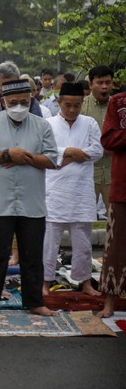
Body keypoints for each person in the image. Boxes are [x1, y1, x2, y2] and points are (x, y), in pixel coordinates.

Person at [0, 79, 58, 316]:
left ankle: (35, 302)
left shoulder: (42, 126)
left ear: (31, 100)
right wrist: (5, 154)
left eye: (24, 102)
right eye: (13, 102)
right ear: (3, 102)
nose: (19, 106)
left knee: (32, 255)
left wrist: (26, 157)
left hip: (31, 203)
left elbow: (52, 159)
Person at [43, 82, 103, 297]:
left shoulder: (90, 123)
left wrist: (69, 157)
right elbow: (45, 151)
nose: (72, 110)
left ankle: (85, 282)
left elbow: (97, 149)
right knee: (50, 242)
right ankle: (46, 282)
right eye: (68, 105)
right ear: (59, 102)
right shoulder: (48, 124)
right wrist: (69, 152)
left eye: (77, 105)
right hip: (55, 191)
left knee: (83, 243)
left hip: (80, 191)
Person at [97, 92, 126, 318]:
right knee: (116, 246)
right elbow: (108, 140)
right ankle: (109, 303)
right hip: (122, 186)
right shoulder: (118, 102)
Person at [81, 65, 114, 219]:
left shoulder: (120, 106)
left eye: (108, 82)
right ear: (91, 84)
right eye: (100, 82)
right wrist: (102, 147)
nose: (104, 86)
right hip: (88, 172)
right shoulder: (81, 106)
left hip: (114, 171)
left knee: (118, 217)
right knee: (82, 217)